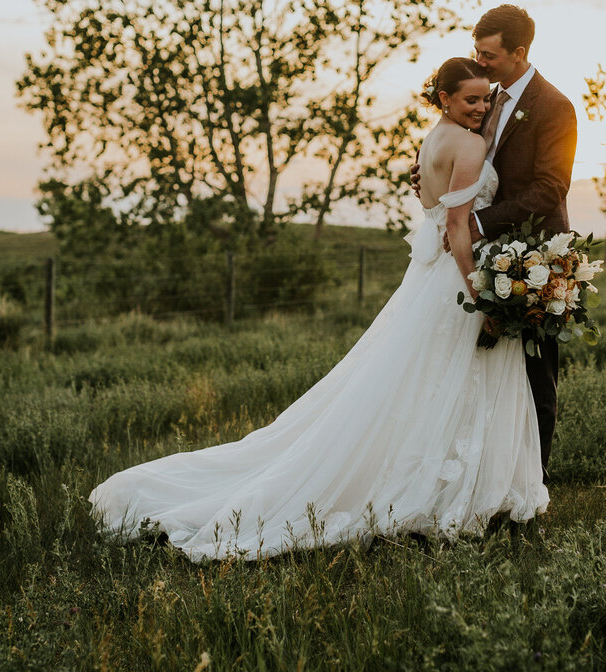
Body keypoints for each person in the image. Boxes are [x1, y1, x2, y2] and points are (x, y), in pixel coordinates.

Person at [89, 57, 548, 562]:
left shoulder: (434, 136)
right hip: (456, 278)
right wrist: (479, 295)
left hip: (430, 277)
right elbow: (458, 228)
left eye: (486, 98)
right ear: (445, 98)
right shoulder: (470, 142)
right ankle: (446, 492)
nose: (482, 108)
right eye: (471, 100)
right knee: (451, 383)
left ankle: (443, 483)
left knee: (425, 387)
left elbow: (434, 210)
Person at [413, 5, 578, 481]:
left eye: (487, 54)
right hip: (476, 253)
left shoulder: (555, 108)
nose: (478, 61)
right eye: (475, 51)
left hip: (532, 257)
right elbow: (465, 159)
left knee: (535, 374)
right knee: (484, 376)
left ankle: (533, 481)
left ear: (518, 52)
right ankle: (481, 475)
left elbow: (550, 189)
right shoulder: (482, 99)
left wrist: (478, 220)